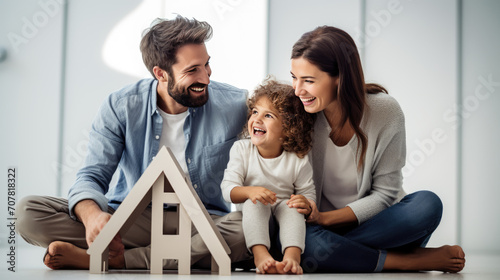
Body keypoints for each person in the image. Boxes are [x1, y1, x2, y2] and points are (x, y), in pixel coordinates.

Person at [16, 15, 250, 270]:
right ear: (160, 73)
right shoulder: (121, 106)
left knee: (249, 229)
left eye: (206, 65)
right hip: (132, 220)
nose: (206, 77)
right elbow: (92, 176)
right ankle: (178, 255)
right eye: (192, 70)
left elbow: (273, 149)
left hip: (201, 222)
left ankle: (118, 259)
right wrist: (93, 217)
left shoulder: (235, 105)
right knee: (28, 214)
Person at [289, 25, 466, 273]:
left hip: (379, 226)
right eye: (294, 78)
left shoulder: (385, 112)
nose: (297, 91)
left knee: (427, 204)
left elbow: (385, 195)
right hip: (321, 231)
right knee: (299, 238)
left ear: (340, 77)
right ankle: (407, 261)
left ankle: (339, 255)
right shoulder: (299, 113)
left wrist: (324, 218)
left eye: (308, 81)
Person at [221, 79, 316, 274]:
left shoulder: (297, 158)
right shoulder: (242, 149)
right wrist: (250, 192)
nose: (257, 119)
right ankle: (260, 254)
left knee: (293, 209)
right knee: (254, 203)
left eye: (268, 115)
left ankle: (292, 258)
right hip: (254, 213)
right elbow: (227, 189)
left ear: (288, 129)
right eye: (255, 112)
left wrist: (304, 203)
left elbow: (308, 194)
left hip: (283, 209)